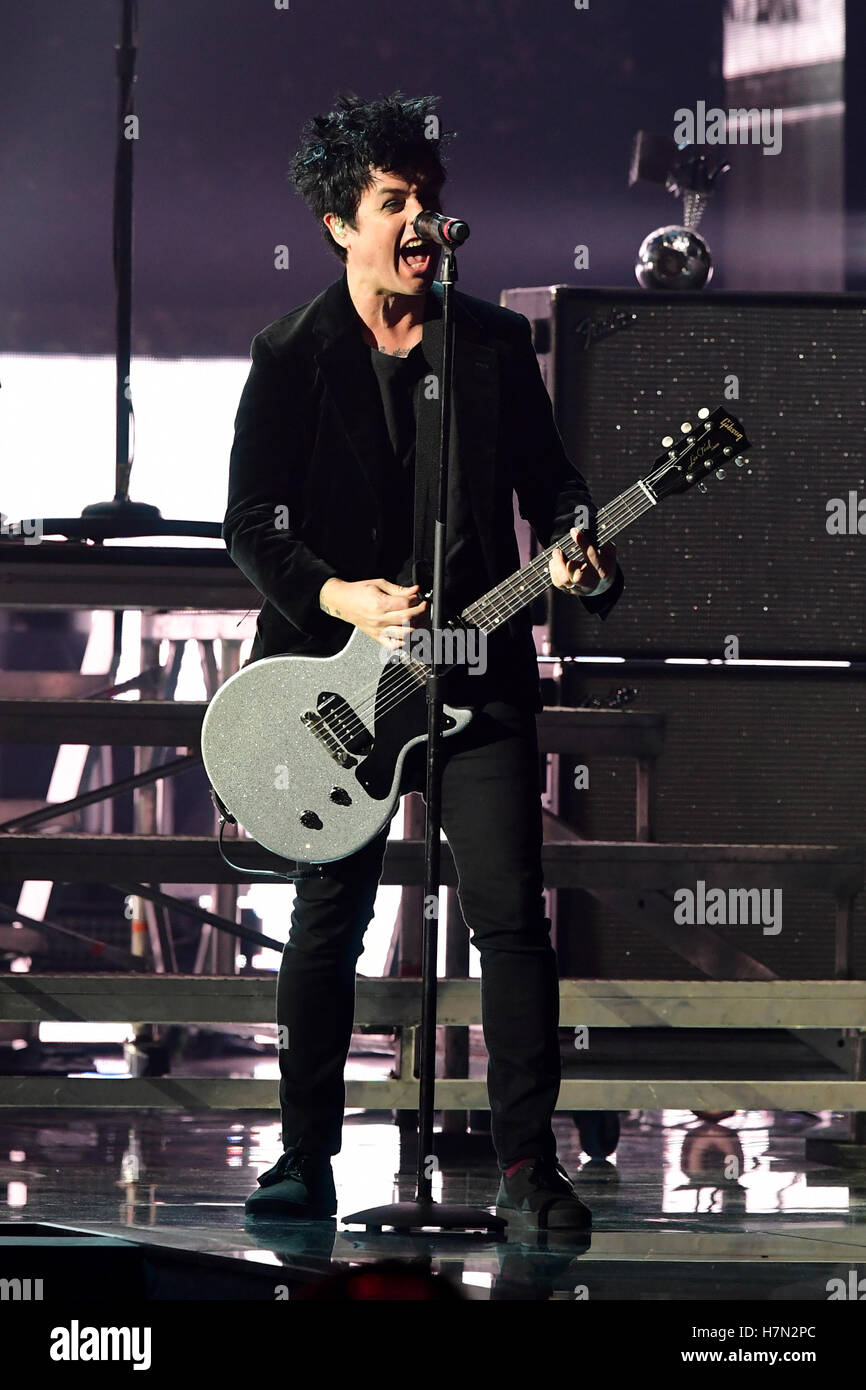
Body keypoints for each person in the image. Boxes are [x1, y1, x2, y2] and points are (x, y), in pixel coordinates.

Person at [223, 92, 623, 1232]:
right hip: (329, 687)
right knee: (326, 920)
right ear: (338, 223)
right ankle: (301, 1159)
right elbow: (249, 522)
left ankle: (524, 1169)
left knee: (510, 918)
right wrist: (340, 595)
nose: (416, 220)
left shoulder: (488, 344)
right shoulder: (291, 353)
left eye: (428, 201)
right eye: (391, 201)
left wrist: (576, 546)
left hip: (476, 668)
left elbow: (552, 486)